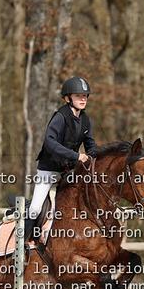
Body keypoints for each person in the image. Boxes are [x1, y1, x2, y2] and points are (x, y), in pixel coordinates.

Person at [25, 76, 98, 241]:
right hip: (48, 170)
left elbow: (91, 145)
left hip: (69, 171)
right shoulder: (60, 116)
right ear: (67, 98)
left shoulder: (85, 120)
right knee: (35, 208)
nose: (83, 99)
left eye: (85, 96)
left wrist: (96, 158)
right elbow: (50, 142)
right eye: (78, 96)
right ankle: (24, 244)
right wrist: (76, 156)